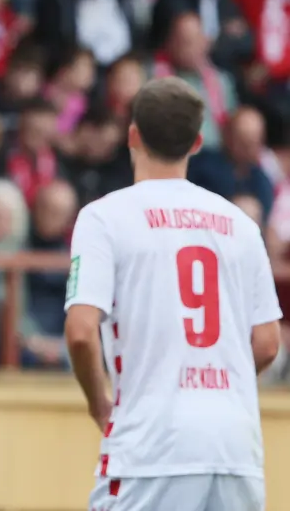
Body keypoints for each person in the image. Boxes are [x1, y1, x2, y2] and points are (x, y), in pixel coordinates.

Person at [64, 76, 280, 511]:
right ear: (198, 142)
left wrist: (99, 403)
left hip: (151, 447)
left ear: (133, 134)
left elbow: (82, 332)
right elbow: (268, 342)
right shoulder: (239, 223)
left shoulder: (105, 217)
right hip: (236, 449)